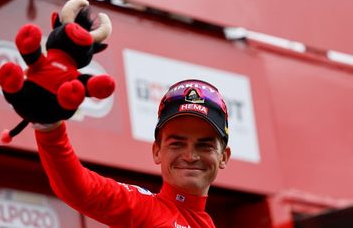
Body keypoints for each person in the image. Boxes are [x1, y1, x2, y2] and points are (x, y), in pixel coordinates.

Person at [34, 79, 231, 227]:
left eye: (204, 146)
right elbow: (81, 188)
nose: (190, 156)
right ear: (156, 151)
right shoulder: (142, 208)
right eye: (177, 144)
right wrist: (48, 126)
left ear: (224, 156)